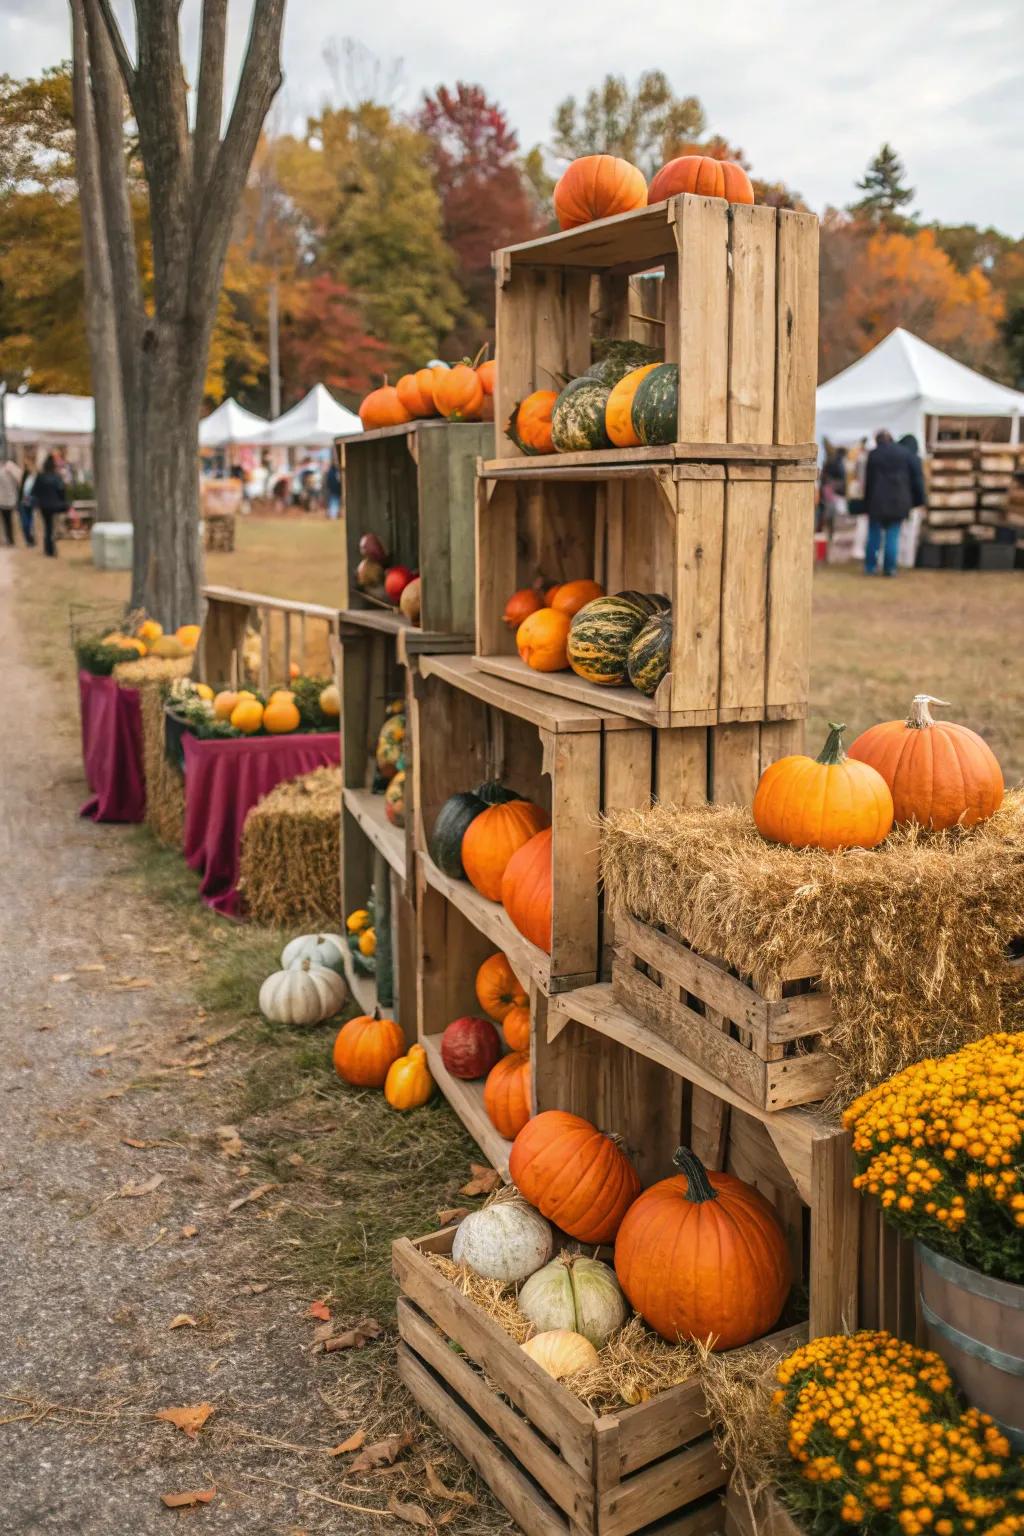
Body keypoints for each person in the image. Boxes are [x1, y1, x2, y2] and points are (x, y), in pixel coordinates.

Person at [862, 429, 925, 576]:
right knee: (893, 535)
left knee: (874, 535)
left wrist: (866, 503)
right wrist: (920, 500)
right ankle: (889, 568)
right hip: (899, 502)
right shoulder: (906, 454)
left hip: (876, 501)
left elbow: (869, 482)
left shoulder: (874, 454)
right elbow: (917, 480)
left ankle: (870, 567)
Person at [30, 453, 69, 557]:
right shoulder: (56, 477)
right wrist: (64, 503)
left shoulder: (40, 477)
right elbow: (62, 491)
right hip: (55, 506)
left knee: (47, 527)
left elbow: (34, 491)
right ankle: (52, 549)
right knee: (53, 527)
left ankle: (48, 549)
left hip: (44, 506)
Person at [0, 456, 21, 546]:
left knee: (6, 521)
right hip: (9, 500)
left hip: (4, 501)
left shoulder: (2, 472)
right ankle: (10, 539)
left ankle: (8, 539)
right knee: (8, 521)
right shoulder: (13, 473)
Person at [17, 453, 37, 546]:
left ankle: (30, 539)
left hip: (30, 500)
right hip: (24, 501)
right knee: (26, 522)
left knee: (29, 521)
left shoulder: (33, 474)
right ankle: (29, 539)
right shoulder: (24, 474)